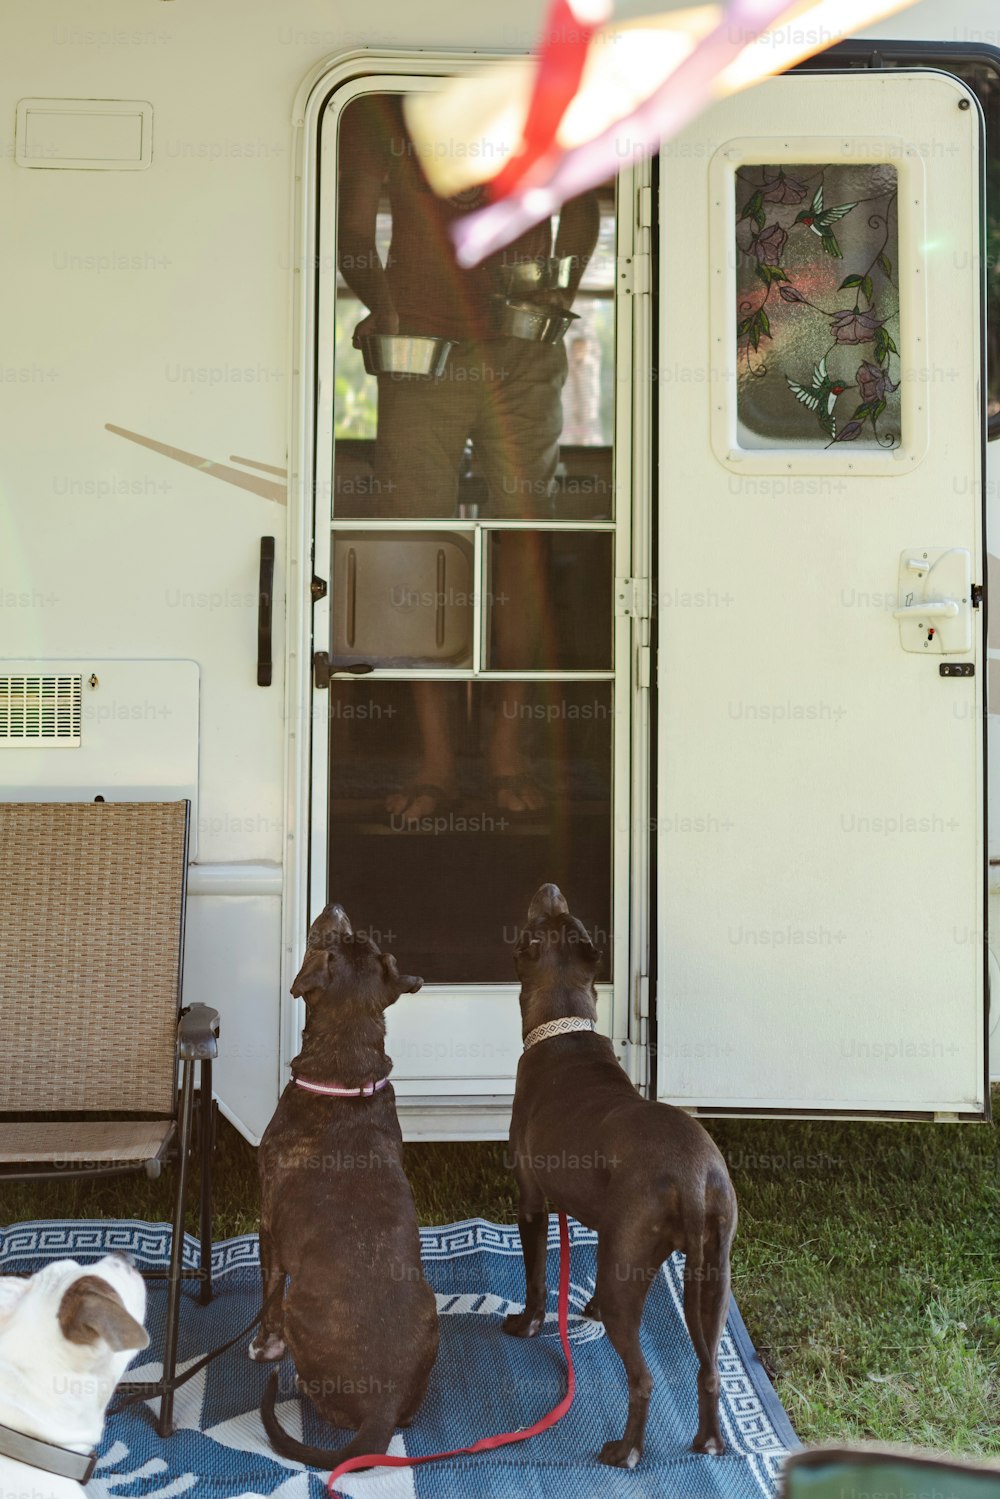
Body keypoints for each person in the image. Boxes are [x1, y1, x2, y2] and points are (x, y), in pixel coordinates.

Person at [337, 92, 600, 818]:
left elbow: (579, 210)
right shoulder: (380, 106)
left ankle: (507, 751)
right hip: (422, 350)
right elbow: (352, 233)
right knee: (419, 551)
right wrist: (381, 305)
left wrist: (559, 293)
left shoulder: (531, 92)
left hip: (523, 352)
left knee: (523, 543)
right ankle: (438, 760)